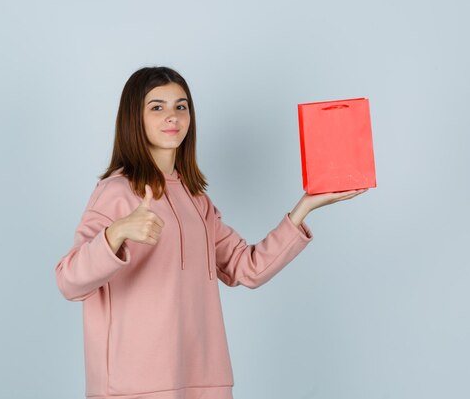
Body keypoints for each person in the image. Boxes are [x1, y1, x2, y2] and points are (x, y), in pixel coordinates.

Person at [54, 66, 367, 399]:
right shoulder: (116, 192)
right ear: (135, 117)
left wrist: (305, 207)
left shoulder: (196, 199)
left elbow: (248, 268)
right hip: (133, 386)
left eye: (181, 106)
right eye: (157, 107)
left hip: (203, 381)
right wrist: (116, 233)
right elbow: (69, 281)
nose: (172, 116)